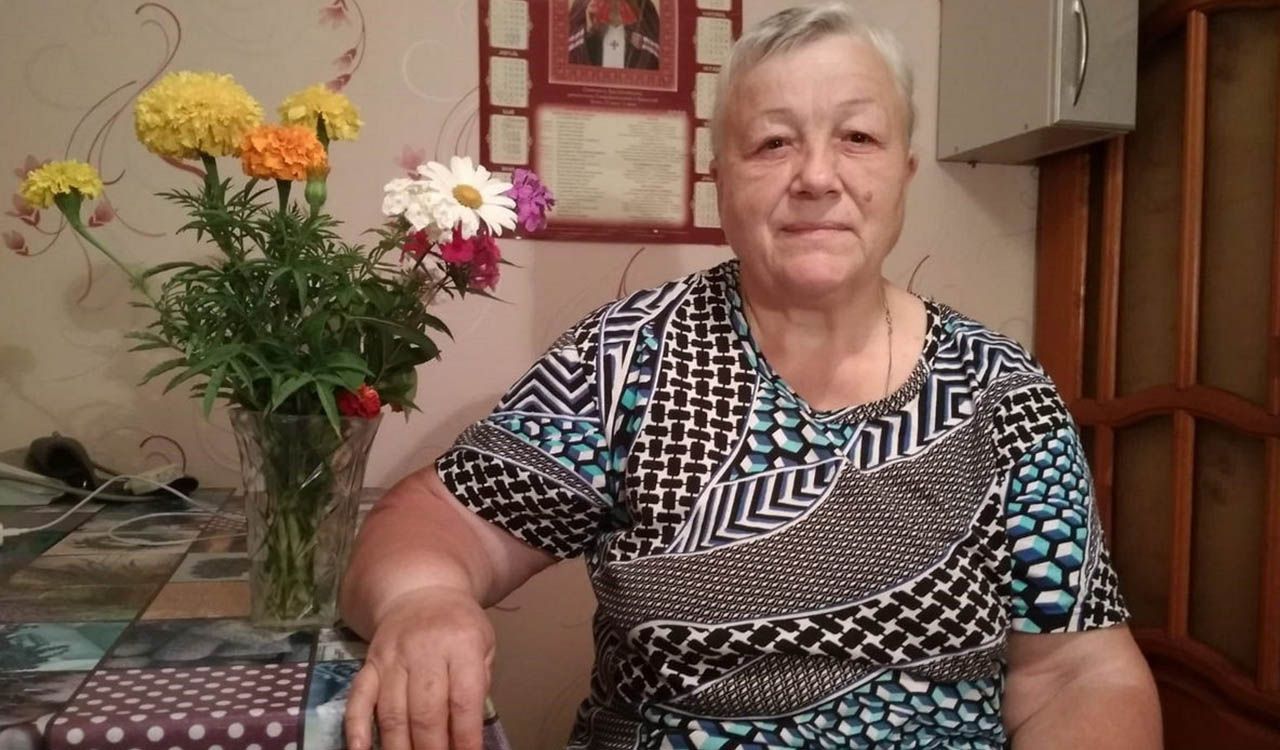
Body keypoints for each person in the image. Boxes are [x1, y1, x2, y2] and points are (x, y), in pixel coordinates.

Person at [340, 3, 1163, 749]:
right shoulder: (627, 356)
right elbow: (441, 522)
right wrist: (421, 601)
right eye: (773, 142)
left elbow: (1080, 674)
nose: (817, 176)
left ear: (904, 174)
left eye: (858, 137)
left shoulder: (1002, 391)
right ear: (720, 180)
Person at [567, 0, 661, 70]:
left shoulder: (645, 7)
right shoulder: (582, 5)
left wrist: (641, 42)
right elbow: (565, 54)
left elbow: (658, 56)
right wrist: (588, 32)